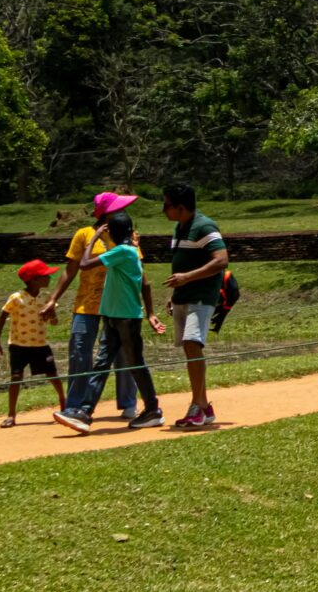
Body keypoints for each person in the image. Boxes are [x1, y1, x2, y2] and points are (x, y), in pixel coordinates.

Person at [55, 210, 161, 433]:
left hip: (127, 318)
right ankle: (85, 412)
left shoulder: (124, 251)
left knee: (135, 364)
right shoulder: (122, 251)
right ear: (131, 232)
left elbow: (84, 263)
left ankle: (152, 409)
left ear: (111, 232)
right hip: (112, 316)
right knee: (102, 363)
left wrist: (94, 237)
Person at [45, 192, 138, 423]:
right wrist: (53, 298)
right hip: (87, 304)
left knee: (123, 354)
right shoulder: (84, 234)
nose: (122, 211)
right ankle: (74, 405)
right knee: (79, 353)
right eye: (118, 208)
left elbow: (138, 271)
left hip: (118, 305)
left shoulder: (127, 236)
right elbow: (71, 269)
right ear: (105, 213)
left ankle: (128, 403)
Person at [161, 182, 230, 431]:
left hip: (200, 297)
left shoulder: (204, 226)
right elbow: (183, 264)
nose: (163, 210)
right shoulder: (180, 228)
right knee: (190, 349)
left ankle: (197, 405)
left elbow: (221, 259)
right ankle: (204, 407)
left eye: (166, 205)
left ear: (180, 207)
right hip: (184, 296)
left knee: (193, 344)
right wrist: (176, 291)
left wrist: (187, 278)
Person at [0, 260, 64, 427]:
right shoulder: (16, 298)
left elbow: (54, 322)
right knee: (16, 377)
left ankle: (63, 404)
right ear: (33, 280)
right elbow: (2, 318)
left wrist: (51, 315)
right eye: (45, 276)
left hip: (40, 344)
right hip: (18, 345)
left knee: (52, 374)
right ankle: (11, 415)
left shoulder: (46, 298)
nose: (49, 278)